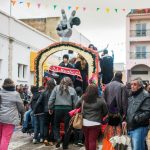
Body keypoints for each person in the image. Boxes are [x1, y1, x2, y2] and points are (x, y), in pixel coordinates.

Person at [49, 77, 78, 150]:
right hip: (68, 110)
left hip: (57, 109)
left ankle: (58, 138)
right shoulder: (72, 89)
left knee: (55, 125)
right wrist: (74, 111)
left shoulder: (56, 88)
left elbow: (51, 99)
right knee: (67, 128)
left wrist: (50, 107)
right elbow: (75, 102)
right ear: (70, 82)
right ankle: (65, 146)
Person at [76, 84, 108, 150]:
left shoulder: (83, 97)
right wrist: (100, 115)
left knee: (87, 139)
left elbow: (76, 105)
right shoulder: (100, 99)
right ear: (96, 91)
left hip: (85, 122)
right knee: (92, 140)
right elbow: (106, 111)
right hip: (96, 123)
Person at [0, 78, 24, 150]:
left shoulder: (0, 93)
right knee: (5, 138)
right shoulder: (15, 94)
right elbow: (21, 108)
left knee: (1, 137)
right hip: (10, 119)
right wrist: (22, 114)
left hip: (0, 118)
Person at [126, 78, 150, 150]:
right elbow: (130, 110)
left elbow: (148, 112)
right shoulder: (132, 95)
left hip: (139, 127)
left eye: (135, 84)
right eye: (131, 84)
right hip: (131, 126)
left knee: (137, 148)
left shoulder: (145, 95)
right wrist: (126, 119)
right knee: (136, 147)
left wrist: (136, 119)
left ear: (139, 86)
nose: (132, 86)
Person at [34, 79, 56, 146]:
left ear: (46, 84)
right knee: (53, 125)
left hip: (45, 111)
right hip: (53, 110)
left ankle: (46, 139)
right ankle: (51, 140)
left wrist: (34, 109)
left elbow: (38, 102)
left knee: (46, 125)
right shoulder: (55, 92)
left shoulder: (43, 92)